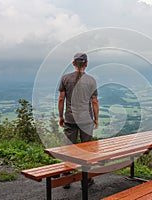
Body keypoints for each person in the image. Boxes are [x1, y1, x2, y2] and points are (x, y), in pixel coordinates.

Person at [58, 52, 99, 189]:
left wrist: (61, 116)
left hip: (70, 119)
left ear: (73, 63)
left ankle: (67, 178)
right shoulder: (91, 80)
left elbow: (61, 99)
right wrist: (96, 119)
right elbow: (94, 101)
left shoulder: (65, 79)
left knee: (69, 148)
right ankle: (86, 180)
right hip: (86, 120)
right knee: (86, 150)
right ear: (86, 63)